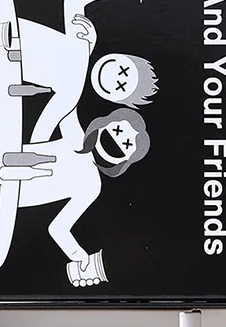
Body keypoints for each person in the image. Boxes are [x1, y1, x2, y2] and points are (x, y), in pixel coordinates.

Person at [17, 0, 159, 143]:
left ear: (113, 99)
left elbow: (42, 133)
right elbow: (73, 0)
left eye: (120, 86)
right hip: (0, 22)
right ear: (118, 56)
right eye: (123, 70)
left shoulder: (71, 94)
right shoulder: (83, 40)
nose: (114, 76)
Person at [18, 107, 150, 280]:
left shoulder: (92, 186)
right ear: (102, 125)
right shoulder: (75, 137)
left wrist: (81, 257)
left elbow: (58, 228)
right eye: (117, 130)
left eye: (126, 145)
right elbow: (68, 102)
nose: (116, 140)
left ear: (124, 162)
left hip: (5, 195)